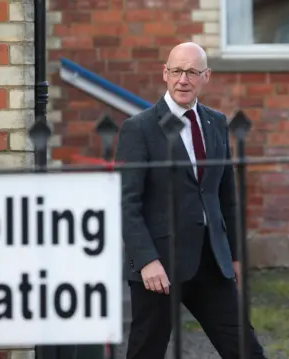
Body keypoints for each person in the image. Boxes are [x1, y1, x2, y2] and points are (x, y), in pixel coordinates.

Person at [115, 42, 267, 359]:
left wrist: (234, 255)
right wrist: (146, 260)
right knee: (146, 351)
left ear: (206, 76)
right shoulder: (138, 129)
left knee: (246, 349)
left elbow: (227, 197)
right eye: (177, 71)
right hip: (159, 267)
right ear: (165, 74)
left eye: (192, 72)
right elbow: (126, 203)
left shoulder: (216, 123)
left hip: (211, 262)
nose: (183, 80)